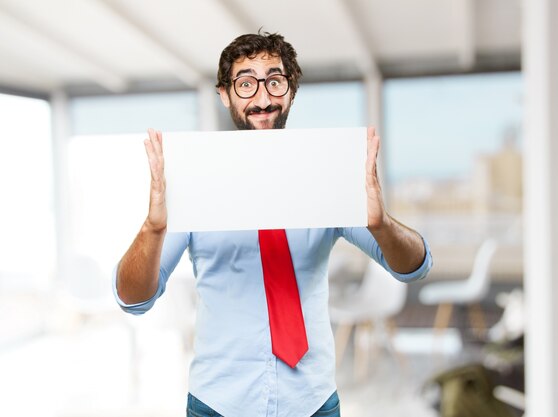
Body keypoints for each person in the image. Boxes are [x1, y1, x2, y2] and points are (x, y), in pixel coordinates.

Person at [113, 32, 433, 417]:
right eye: (246, 84)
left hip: (313, 401)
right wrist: (152, 227)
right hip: (218, 403)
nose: (262, 100)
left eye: (275, 82)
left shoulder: (325, 174)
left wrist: (381, 223)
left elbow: (414, 267)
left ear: (291, 91)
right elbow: (134, 300)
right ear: (225, 95)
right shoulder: (193, 182)